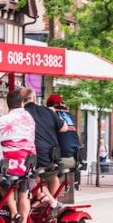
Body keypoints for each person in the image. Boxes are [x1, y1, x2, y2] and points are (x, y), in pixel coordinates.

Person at [0, 89, 35, 223]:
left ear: (8, 105)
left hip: (11, 165)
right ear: (22, 102)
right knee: (24, 194)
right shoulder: (30, 118)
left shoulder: (4, 120)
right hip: (28, 163)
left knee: (1, 184)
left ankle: (14, 213)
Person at [23, 87, 68, 215]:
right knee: (53, 177)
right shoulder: (47, 111)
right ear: (34, 98)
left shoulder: (23, 114)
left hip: (35, 155)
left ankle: (50, 202)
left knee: (33, 178)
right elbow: (64, 128)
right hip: (52, 154)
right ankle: (50, 207)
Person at [48, 94, 81, 177]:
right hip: (76, 157)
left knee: (43, 174)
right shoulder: (69, 115)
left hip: (62, 158)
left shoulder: (51, 114)